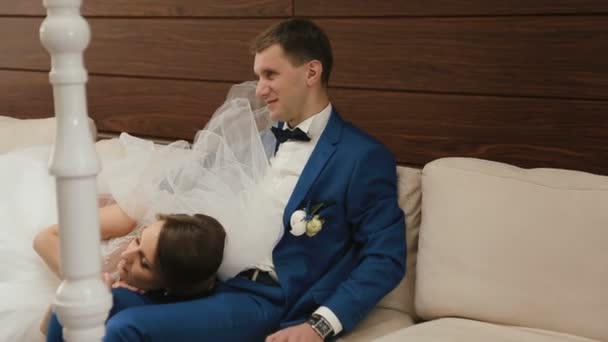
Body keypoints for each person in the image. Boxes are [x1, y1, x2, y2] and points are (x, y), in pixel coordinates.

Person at [47, 18, 406, 341]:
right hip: (205, 283)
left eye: (270, 74)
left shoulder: (361, 157)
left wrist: (321, 324)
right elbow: (188, 198)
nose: (259, 88)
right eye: (259, 75)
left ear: (312, 72)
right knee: (72, 310)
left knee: (126, 329)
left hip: (265, 298)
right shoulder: (252, 140)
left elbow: (385, 258)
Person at [35, 209, 226, 334]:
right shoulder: (138, 219)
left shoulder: (126, 309)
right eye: (138, 240)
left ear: (169, 286)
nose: (126, 255)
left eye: (144, 262)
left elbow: (49, 331)